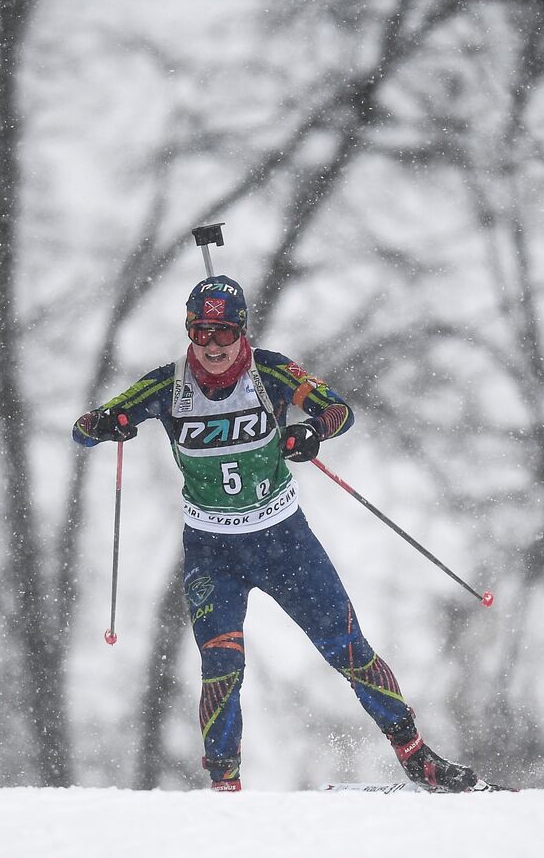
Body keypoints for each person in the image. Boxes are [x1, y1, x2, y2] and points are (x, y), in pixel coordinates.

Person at [73, 275, 478, 792]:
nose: (213, 346)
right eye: (201, 333)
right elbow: (84, 427)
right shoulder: (168, 385)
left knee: (345, 646)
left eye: (223, 333)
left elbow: (338, 411)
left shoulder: (269, 372)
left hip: (283, 540)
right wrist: (108, 424)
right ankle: (225, 786)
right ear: (189, 332)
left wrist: (310, 432)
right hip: (211, 551)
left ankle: (416, 756)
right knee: (221, 666)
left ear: (242, 330)